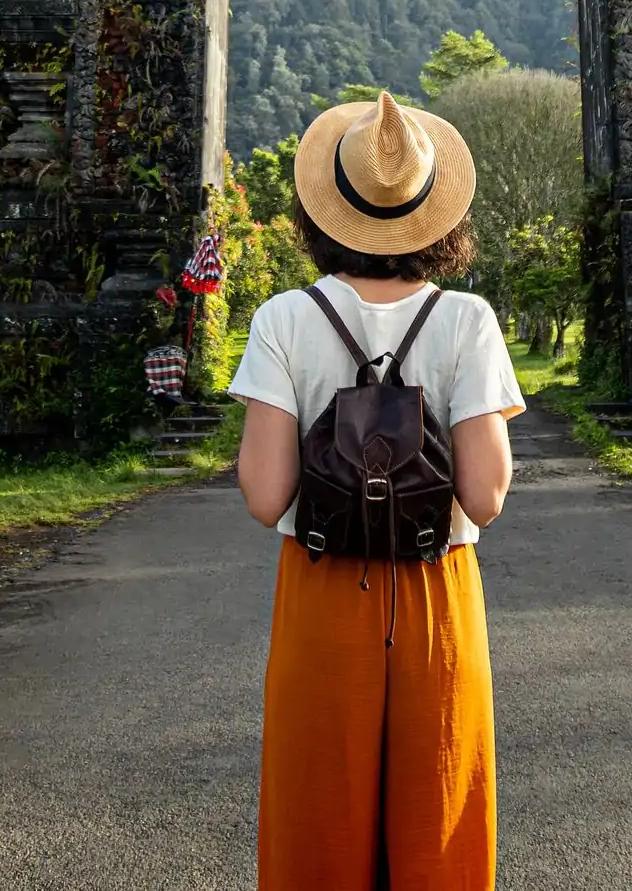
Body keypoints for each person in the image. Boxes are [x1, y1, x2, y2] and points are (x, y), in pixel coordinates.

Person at [231, 91, 525, 891]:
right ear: (435, 215)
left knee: (316, 824)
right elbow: (486, 494)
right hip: (437, 593)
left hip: (323, 587)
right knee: (441, 822)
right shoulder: (467, 320)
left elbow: (265, 497)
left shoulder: (284, 320)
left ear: (325, 211)